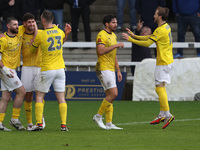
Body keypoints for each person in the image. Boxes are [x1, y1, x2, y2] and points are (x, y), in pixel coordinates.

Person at [122, 7, 175, 129]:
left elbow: (147, 43)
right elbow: (149, 37)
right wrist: (135, 35)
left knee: (159, 88)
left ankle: (167, 114)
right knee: (160, 87)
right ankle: (162, 113)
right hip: (167, 60)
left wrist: (131, 39)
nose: (154, 16)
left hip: (163, 62)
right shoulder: (165, 27)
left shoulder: (161, 30)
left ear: (160, 17)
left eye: (156, 14)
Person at [30, 10, 71, 131]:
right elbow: (61, 42)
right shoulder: (60, 32)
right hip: (60, 69)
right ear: (52, 20)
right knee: (61, 98)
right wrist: (66, 33)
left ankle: (39, 124)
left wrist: (33, 42)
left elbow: (32, 51)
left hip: (47, 68)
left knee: (39, 95)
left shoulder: (41, 35)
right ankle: (63, 125)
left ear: (43, 20)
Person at [93, 15, 124, 130]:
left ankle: (109, 123)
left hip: (110, 68)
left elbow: (114, 54)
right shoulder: (101, 35)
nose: (116, 24)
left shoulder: (114, 36)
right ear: (106, 24)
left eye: (116, 22)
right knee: (114, 94)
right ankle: (98, 116)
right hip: (103, 67)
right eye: (113, 22)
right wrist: (116, 45)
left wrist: (118, 70)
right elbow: (100, 51)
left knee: (109, 96)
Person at [0, 17, 26, 131]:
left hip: (12, 69)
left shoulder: (18, 35)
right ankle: (14, 119)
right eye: (14, 25)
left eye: (17, 24)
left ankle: (0, 123)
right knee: (22, 92)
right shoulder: (3, 39)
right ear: (8, 26)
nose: (17, 26)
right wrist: (4, 69)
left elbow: (30, 24)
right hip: (6, 70)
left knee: (5, 97)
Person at [21, 13, 46, 131]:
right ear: (24, 24)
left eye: (33, 22)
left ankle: (40, 118)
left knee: (39, 94)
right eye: (29, 22)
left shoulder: (40, 33)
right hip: (26, 67)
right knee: (28, 96)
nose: (31, 24)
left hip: (39, 67)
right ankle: (30, 123)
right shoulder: (21, 34)